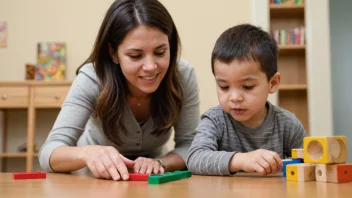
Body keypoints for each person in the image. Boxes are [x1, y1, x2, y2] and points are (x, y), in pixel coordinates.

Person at [39, 0, 200, 181]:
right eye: (135, 56)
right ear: (113, 53)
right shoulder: (92, 78)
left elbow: (191, 147)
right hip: (93, 182)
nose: (150, 66)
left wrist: (160, 163)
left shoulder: (183, 76)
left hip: (152, 183)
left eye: (160, 52)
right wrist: (87, 154)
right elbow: (48, 152)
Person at [186, 24, 307, 176]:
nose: (235, 97)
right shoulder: (215, 121)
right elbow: (194, 159)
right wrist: (240, 160)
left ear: (273, 83)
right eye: (224, 86)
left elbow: (309, 162)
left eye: (247, 86)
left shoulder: (287, 124)